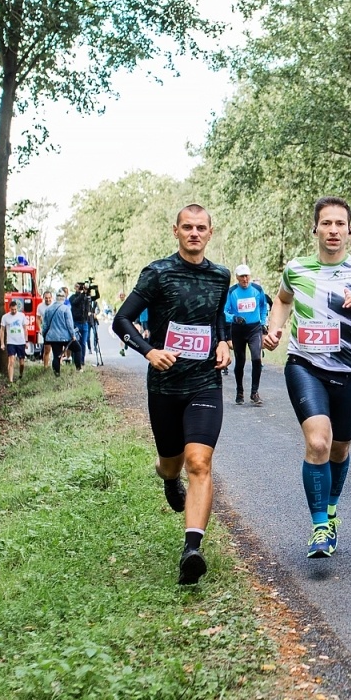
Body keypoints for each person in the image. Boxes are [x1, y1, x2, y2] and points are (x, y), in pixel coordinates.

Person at [263, 197, 351, 559]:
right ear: (315, 228)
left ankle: (331, 509)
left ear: (350, 231)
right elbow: (283, 300)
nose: (333, 230)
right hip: (304, 366)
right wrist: (274, 329)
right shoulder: (296, 268)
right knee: (318, 443)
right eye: (326, 223)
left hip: (349, 372)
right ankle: (320, 526)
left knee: (339, 449)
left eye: (340, 224)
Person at [112, 204, 233, 585]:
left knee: (199, 462)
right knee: (172, 463)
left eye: (201, 228)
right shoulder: (158, 273)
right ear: (175, 231)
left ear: (210, 233)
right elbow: (122, 319)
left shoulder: (220, 276)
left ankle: (192, 550)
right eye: (187, 227)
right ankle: (168, 478)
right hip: (164, 387)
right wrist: (149, 351)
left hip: (204, 383)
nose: (194, 233)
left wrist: (224, 342)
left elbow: (216, 315)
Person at [224, 264, 270, 405]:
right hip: (238, 330)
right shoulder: (232, 292)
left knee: (257, 359)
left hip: (254, 329)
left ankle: (254, 393)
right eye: (242, 277)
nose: (245, 279)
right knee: (240, 361)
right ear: (237, 278)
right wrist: (234, 318)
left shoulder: (257, 289)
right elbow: (224, 311)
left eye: (247, 276)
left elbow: (263, 306)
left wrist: (263, 322)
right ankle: (239, 391)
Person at [41, 290, 76, 378]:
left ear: (55, 298)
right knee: (75, 349)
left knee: (56, 355)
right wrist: (72, 335)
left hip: (52, 336)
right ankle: (78, 367)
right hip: (63, 336)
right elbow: (69, 324)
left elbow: (45, 325)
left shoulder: (48, 309)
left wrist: (44, 334)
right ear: (63, 299)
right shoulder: (66, 309)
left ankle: (57, 374)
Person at [0, 298, 30, 383]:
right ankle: (11, 381)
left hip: (21, 341)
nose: (14, 311)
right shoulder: (5, 317)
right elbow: (2, 330)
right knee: (11, 360)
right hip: (11, 342)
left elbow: (25, 329)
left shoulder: (21, 316)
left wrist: (26, 341)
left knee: (22, 363)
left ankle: (20, 375)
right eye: (12, 309)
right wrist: (2, 343)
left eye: (15, 309)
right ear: (9, 308)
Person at [68, 283, 94, 371]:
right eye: (78, 286)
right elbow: (75, 302)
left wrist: (87, 293)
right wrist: (82, 293)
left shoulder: (85, 297)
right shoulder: (72, 297)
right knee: (76, 342)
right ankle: (76, 361)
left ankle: (82, 361)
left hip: (85, 322)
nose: (80, 288)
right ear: (75, 288)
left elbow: (88, 307)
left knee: (83, 342)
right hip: (76, 323)